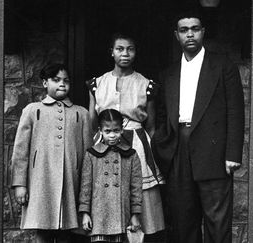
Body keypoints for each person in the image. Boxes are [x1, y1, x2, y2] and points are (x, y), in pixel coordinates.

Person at [152, 11, 245, 243]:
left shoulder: (223, 66)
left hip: (213, 150)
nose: (190, 34)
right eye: (184, 30)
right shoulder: (169, 73)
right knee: (183, 221)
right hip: (178, 150)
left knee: (217, 222)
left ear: (203, 32)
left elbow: (235, 111)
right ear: (177, 35)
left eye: (194, 29)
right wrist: (163, 147)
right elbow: (163, 114)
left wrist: (232, 154)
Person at [86, 33, 165, 240]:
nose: (125, 53)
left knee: (139, 196)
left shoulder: (146, 84)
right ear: (111, 52)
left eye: (130, 49)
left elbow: (151, 125)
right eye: (120, 49)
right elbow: (92, 121)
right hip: (105, 143)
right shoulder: (97, 83)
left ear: (135, 52)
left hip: (136, 144)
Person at [10, 63, 92, 243]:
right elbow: (20, 151)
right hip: (41, 182)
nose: (62, 84)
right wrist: (19, 184)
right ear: (45, 83)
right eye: (56, 80)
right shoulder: (32, 110)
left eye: (66, 81)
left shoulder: (82, 113)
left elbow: (88, 157)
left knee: (67, 232)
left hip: (71, 182)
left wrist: (86, 192)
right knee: (43, 232)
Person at [79, 109, 142, 243]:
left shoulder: (131, 155)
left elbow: (136, 187)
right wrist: (85, 213)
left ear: (122, 130)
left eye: (116, 130)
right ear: (100, 130)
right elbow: (85, 187)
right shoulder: (91, 155)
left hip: (122, 216)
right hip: (98, 216)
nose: (112, 135)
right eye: (107, 131)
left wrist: (135, 214)